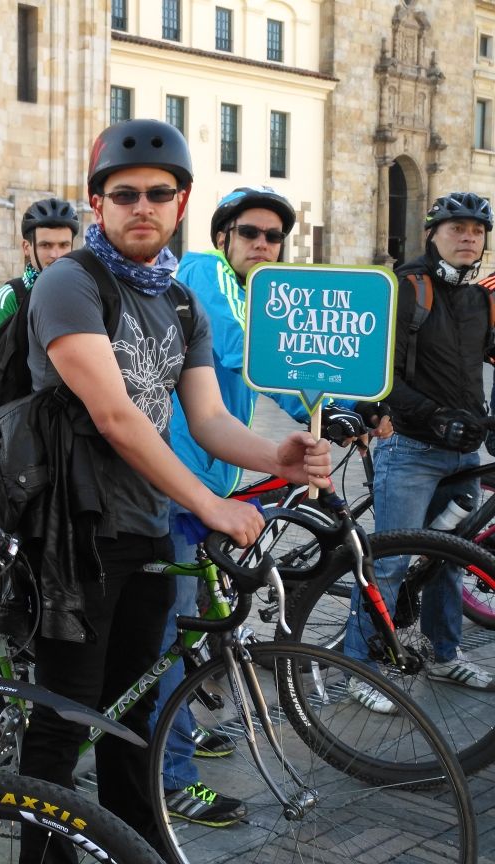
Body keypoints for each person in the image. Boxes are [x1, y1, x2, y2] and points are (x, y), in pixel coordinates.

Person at [15, 119, 331, 859]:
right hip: (74, 537)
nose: (141, 207)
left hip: (146, 529)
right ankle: (40, 850)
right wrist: (209, 503)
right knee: (65, 720)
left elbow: (211, 418)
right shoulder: (72, 282)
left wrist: (277, 455)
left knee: (135, 713)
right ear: (97, 206)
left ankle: (136, 843)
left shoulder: (180, 303)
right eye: (123, 194)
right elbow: (117, 416)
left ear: (182, 203)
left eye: (159, 194)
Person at [154, 186, 391, 827]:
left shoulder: (251, 287)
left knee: (204, 625)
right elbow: (247, 350)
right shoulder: (204, 274)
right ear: (224, 237)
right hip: (180, 484)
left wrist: (330, 408)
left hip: (215, 479)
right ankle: (169, 779)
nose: (263, 245)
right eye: (251, 234)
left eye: (273, 237)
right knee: (174, 640)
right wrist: (329, 403)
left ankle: (176, 731)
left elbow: (277, 362)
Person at [342, 191, 495, 712]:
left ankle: (444, 653)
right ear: (433, 235)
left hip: (463, 454)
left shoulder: (483, 299)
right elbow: (376, 374)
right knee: (387, 564)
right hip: (410, 449)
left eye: (476, 230)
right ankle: (358, 668)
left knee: (450, 563)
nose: (468, 237)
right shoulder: (408, 289)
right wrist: (434, 416)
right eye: (457, 228)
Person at [0, 197, 80, 340]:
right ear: (26, 247)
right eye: (45, 245)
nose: (56, 255)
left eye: (63, 245)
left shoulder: (83, 292)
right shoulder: (8, 298)